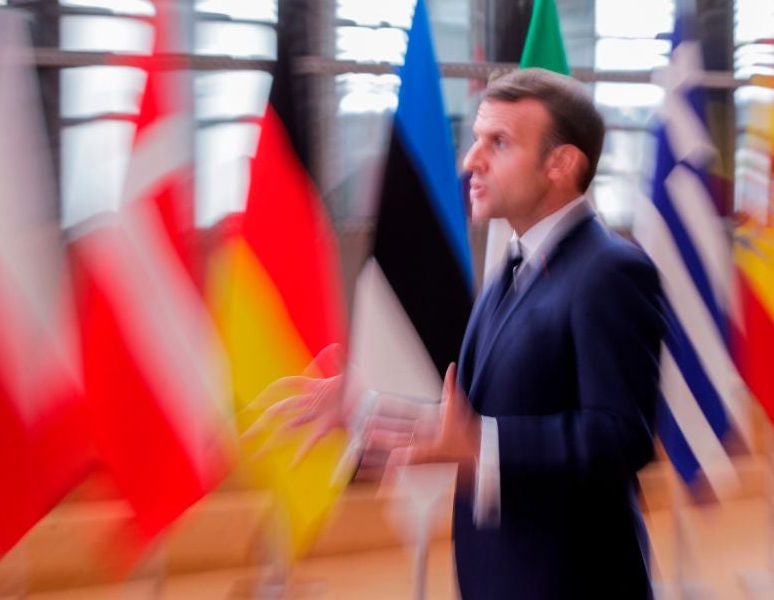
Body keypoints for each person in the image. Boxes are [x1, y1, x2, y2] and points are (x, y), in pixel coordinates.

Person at [253, 68, 666, 599]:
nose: (471, 160)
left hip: (572, 579)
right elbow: (476, 418)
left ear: (561, 163)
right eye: (475, 140)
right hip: (498, 574)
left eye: (498, 142)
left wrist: (481, 444)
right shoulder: (509, 271)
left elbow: (621, 436)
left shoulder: (611, 271)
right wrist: (364, 406)